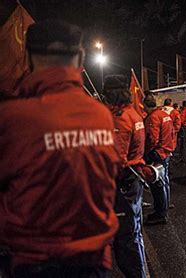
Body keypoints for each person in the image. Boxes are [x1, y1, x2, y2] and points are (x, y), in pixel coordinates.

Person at [0, 20, 120, 277]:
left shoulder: (12, 118)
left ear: (29, 58)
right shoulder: (101, 115)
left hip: (35, 261)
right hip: (93, 260)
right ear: (80, 58)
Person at [102, 75, 146, 278]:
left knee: (124, 238)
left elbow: (116, 161)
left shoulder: (119, 118)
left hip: (122, 182)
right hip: (133, 180)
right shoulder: (133, 114)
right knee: (133, 232)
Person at [145, 95, 174, 225]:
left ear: (146, 106)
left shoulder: (153, 117)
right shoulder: (164, 114)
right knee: (164, 180)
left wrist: (146, 152)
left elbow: (153, 139)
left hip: (158, 153)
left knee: (157, 184)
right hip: (166, 151)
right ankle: (164, 206)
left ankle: (160, 213)